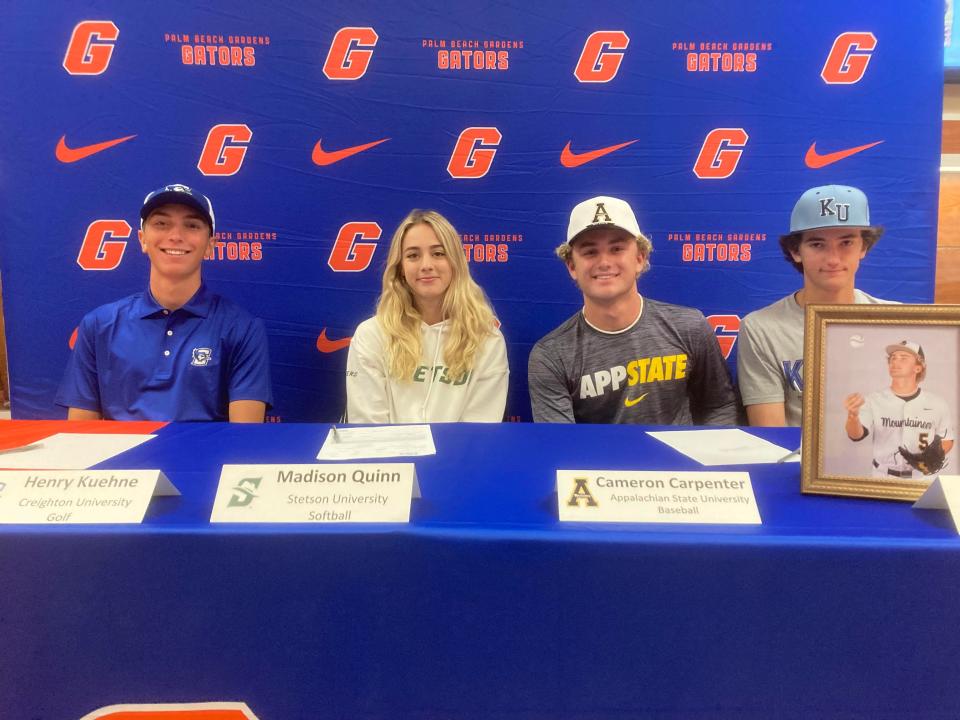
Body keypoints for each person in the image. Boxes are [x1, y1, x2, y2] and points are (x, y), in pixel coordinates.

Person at [56, 183, 272, 422]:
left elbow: (244, 437)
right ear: (142, 239)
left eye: (191, 225)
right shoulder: (98, 325)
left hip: (202, 460)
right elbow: (80, 436)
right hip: (122, 461)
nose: (176, 236)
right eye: (161, 223)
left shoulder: (242, 328)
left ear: (210, 245)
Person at [528, 195, 737, 425]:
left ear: (639, 258)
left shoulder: (689, 326)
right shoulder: (551, 355)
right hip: (596, 462)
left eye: (616, 249)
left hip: (679, 461)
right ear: (572, 266)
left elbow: (719, 406)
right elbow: (560, 442)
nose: (604, 262)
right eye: (590, 252)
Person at [738, 185, 893, 427]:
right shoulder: (761, 328)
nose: (833, 259)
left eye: (846, 243)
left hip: (877, 461)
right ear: (795, 250)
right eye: (817, 244)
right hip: (798, 462)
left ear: (863, 247)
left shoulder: (896, 321)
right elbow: (772, 436)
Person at [346, 209, 508, 423]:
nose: (426, 265)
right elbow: (368, 428)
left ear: (455, 263)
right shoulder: (371, 335)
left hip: (459, 456)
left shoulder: (487, 339)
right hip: (391, 456)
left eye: (438, 253)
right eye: (413, 255)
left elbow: (478, 432)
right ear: (401, 268)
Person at [844, 341, 954, 479]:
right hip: (883, 476)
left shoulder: (937, 403)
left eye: (903, 358)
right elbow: (856, 435)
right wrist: (852, 416)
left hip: (921, 478)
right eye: (893, 358)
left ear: (918, 368)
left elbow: (947, 439)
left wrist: (934, 456)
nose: (895, 362)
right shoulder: (873, 400)